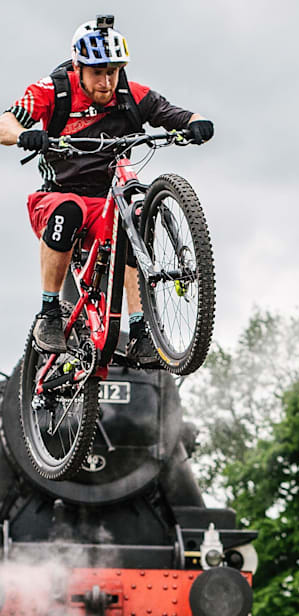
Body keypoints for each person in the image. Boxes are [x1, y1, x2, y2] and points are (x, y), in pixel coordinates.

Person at [0, 17, 214, 361]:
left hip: (108, 200)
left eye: (113, 71)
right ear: (78, 67)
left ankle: (141, 329)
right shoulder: (53, 90)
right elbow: (5, 123)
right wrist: (24, 135)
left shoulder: (131, 95)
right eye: (98, 72)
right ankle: (49, 313)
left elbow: (175, 113)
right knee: (66, 211)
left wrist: (196, 123)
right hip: (58, 194)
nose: (106, 81)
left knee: (135, 221)